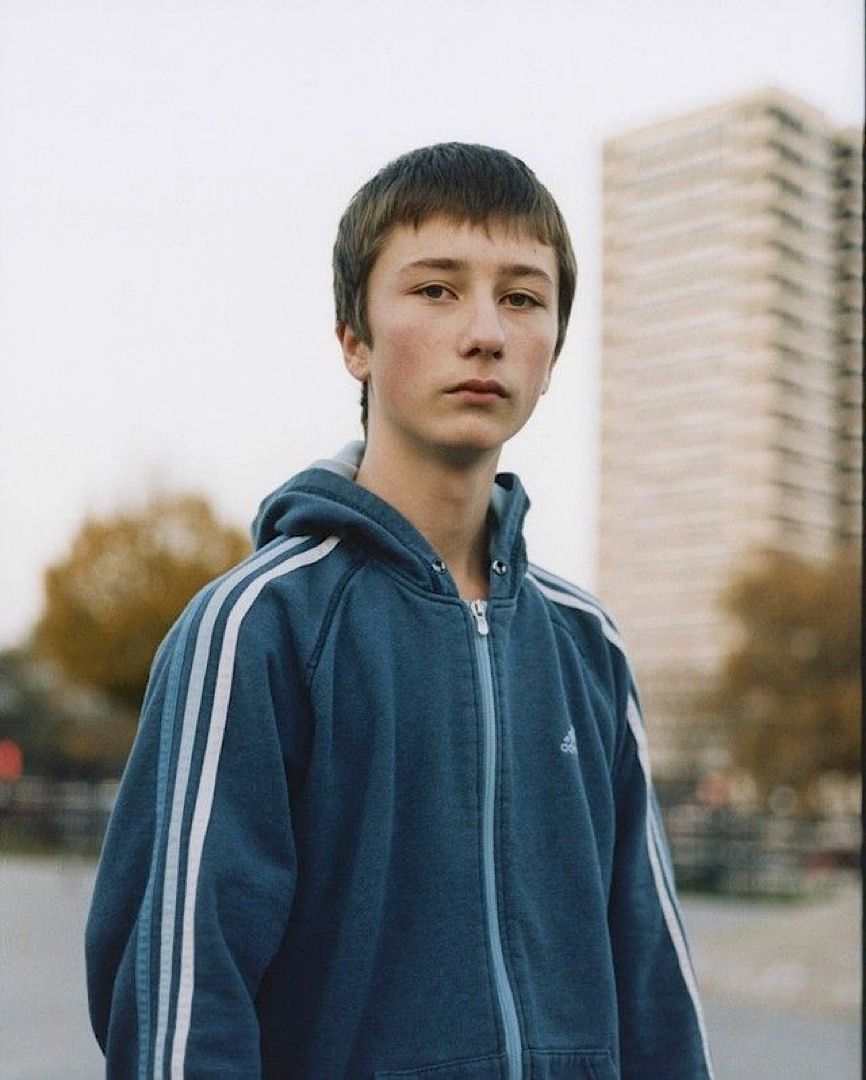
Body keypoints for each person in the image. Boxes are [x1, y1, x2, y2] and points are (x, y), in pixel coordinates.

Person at [86, 143, 714, 1079]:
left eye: (522, 297)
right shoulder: (259, 629)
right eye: (435, 290)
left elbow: (654, 984)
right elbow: (181, 999)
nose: (485, 332)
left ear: (552, 355)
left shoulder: (586, 643)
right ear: (355, 338)